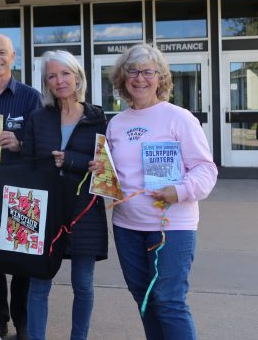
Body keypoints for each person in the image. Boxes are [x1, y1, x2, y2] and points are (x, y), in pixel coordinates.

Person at [103, 43, 217, 340]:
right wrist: (101, 173)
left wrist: (178, 191)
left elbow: (206, 170)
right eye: (133, 71)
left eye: (148, 72)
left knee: (168, 300)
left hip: (172, 227)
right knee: (144, 299)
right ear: (122, 78)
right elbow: (117, 173)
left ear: (160, 78)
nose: (140, 78)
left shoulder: (179, 118)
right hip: (127, 226)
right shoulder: (116, 123)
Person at [20, 51, 108, 340]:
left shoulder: (98, 118)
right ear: (46, 83)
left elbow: (106, 168)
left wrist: (72, 159)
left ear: (78, 76)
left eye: (65, 73)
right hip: (43, 211)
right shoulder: (38, 117)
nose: (59, 81)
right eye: (52, 76)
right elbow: (28, 163)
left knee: (82, 284)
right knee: (39, 284)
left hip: (84, 211)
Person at [0, 34, 42, 340]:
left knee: (21, 260)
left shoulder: (30, 97)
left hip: (20, 189)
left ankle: (23, 323)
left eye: (2, 52)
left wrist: (19, 143)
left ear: (13, 56)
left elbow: (42, 143)